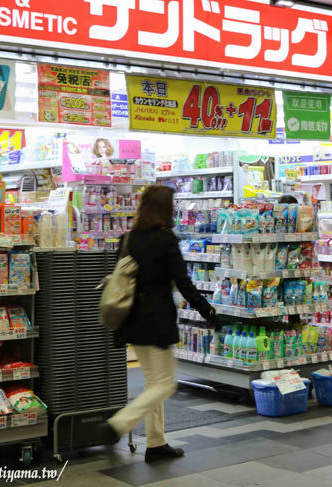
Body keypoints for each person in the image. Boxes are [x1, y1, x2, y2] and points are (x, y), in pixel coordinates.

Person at [101, 185, 221, 460]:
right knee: (165, 385)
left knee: (152, 382)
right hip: (156, 321)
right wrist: (209, 313)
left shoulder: (128, 238)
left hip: (131, 319)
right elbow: (184, 284)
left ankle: (156, 443)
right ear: (165, 209)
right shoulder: (166, 239)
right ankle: (117, 425)